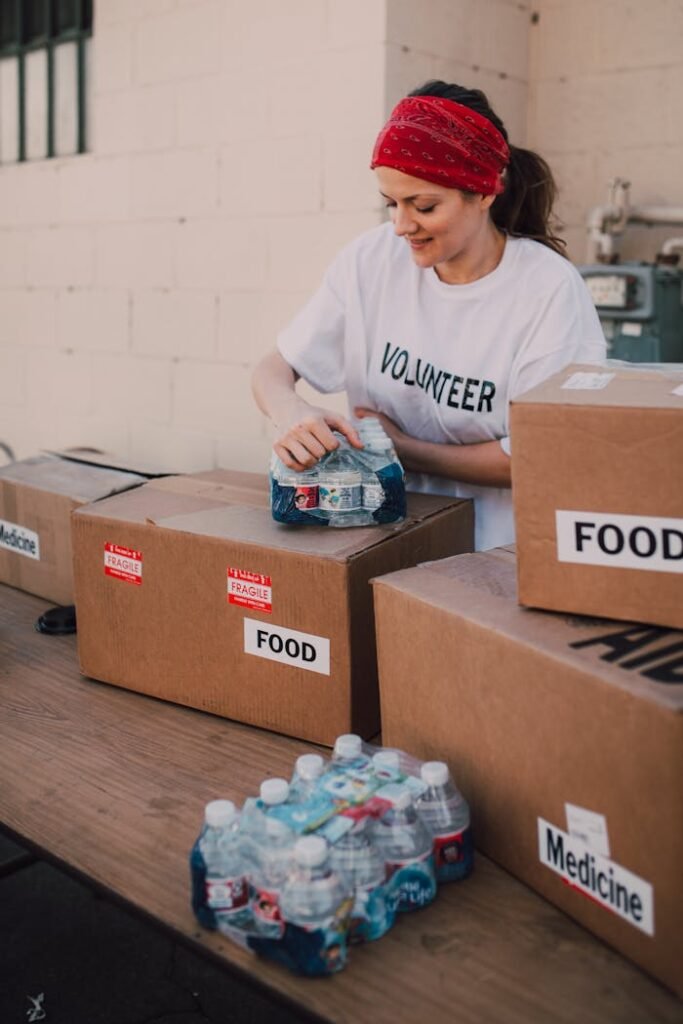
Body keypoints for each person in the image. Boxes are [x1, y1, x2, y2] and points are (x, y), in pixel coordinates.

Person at [252, 81, 606, 550]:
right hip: (382, 539)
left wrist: (406, 450)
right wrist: (292, 411)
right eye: (391, 204)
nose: (401, 226)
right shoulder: (370, 260)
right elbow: (272, 369)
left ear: (484, 192)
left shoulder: (547, 290)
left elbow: (541, 457)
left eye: (424, 206)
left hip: (496, 555)